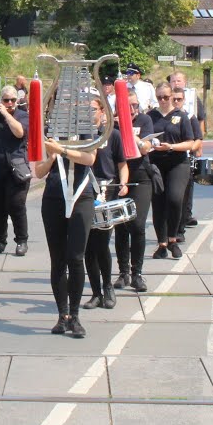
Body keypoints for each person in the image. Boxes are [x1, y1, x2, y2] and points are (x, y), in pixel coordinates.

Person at [34, 129, 98, 338]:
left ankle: (75, 314)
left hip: (81, 197)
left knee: (76, 257)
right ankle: (63, 315)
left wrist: (62, 150)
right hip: (53, 197)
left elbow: (89, 159)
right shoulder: (50, 133)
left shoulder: (87, 132)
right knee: (58, 259)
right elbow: (39, 171)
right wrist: (52, 156)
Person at [110, 88, 156, 292]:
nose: (131, 109)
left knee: (137, 224)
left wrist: (129, 131)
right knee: (120, 225)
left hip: (140, 176)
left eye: (135, 105)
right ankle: (123, 272)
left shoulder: (144, 121)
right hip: (118, 176)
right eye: (127, 105)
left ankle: (137, 272)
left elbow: (145, 148)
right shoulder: (112, 124)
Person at [83, 98, 127, 310]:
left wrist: (124, 183)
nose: (89, 113)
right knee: (87, 247)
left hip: (105, 190)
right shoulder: (80, 136)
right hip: (83, 191)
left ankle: (108, 286)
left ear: (102, 112)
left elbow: (122, 165)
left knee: (101, 244)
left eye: (92, 109)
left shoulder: (113, 134)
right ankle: (95, 292)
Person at [149, 84, 200, 259]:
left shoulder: (181, 116)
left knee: (175, 198)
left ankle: (173, 238)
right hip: (156, 163)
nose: (163, 101)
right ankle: (162, 243)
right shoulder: (151, 116)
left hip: (177, 162)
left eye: (166, 97)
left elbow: (190, 143)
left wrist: (171, 146)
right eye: (159, 97)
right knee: (158, 203)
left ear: (172, 96)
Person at [0, 85, 30, 256]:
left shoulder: (22, 115)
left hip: (17, 169)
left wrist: (5, 114)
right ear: (1, 100)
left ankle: (21, 240)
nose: (10, 103)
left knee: (16, 205)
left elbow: (19, 132)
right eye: (6, 100)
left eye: (13, 100)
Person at [167, 71, 205, 233]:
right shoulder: (162, 115)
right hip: (165, 159)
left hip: (184, 159)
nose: (176, 102)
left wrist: (196, 148)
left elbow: (198, 137)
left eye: (179, 99)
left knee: (182, 195)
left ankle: (180, 227)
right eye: (173, 99)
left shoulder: (189, 116)